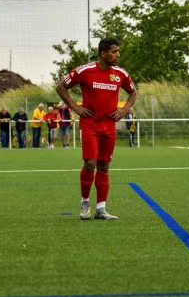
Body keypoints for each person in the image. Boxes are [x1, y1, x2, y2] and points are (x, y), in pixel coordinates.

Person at [56, 38, 137, 220]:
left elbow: (133, 92)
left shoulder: (121, 74)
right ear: (103, 53)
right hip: (90, 123)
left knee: (104, 165)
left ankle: (101, 209)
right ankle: (85, 203)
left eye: (118, 51)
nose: (118, 55)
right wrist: (75, 108)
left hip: (109, 125)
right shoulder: (85, 70)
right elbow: (61, 87)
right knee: (90, 163)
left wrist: (124, 110)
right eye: (114, 52)